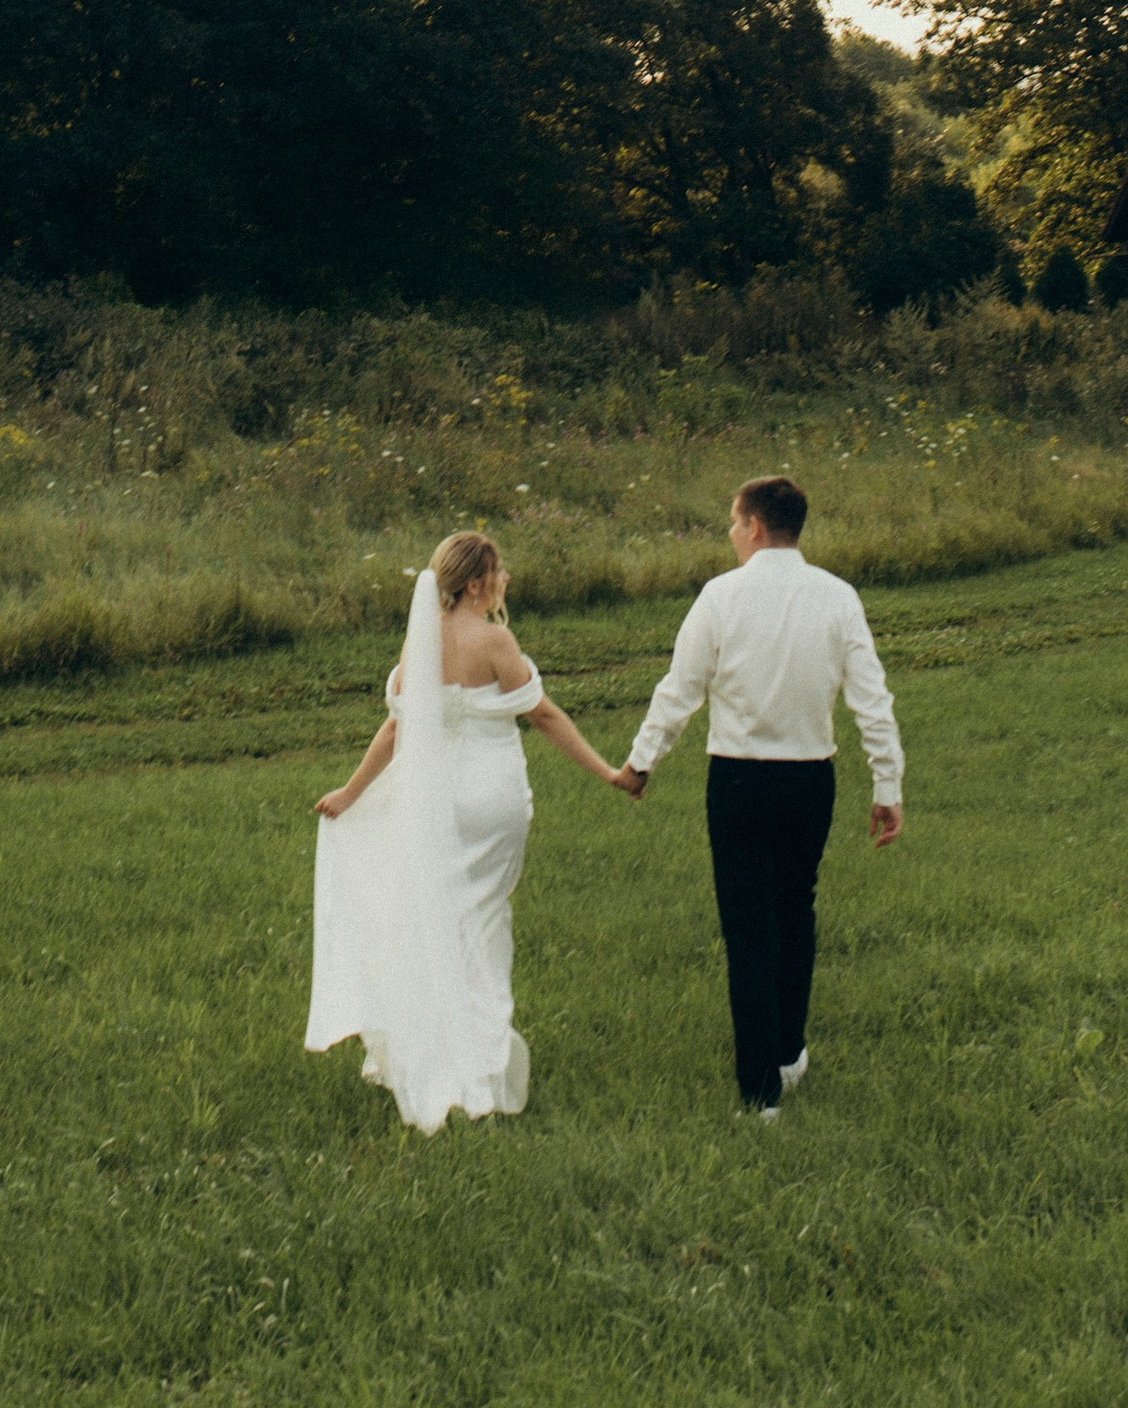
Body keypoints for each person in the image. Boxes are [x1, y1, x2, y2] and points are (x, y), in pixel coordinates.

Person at [306, 527, 632, 1131]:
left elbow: (396, 729)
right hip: (490, 798)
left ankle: (437, 1047)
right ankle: (476, 1063)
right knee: (483, 924)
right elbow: (542, 713)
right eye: (500, 571)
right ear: (479, 582)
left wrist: (351, 793)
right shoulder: (494, 639)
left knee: (441, 921)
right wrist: (607, 771)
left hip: (432, 803)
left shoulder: (418, 649)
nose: (507, 579)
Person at [617, 472, 902, 1119]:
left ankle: (760, 1092)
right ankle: (786, 1052)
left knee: (749, 928)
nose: (729, 534)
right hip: (810, 780)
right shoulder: (838, 596)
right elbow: (872, 700)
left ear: (754, 527)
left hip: (740, 779)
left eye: (731, 523)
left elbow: (679, 690)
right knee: (795, 911)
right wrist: (887, 784)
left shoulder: (721, 596)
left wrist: (641, 763)